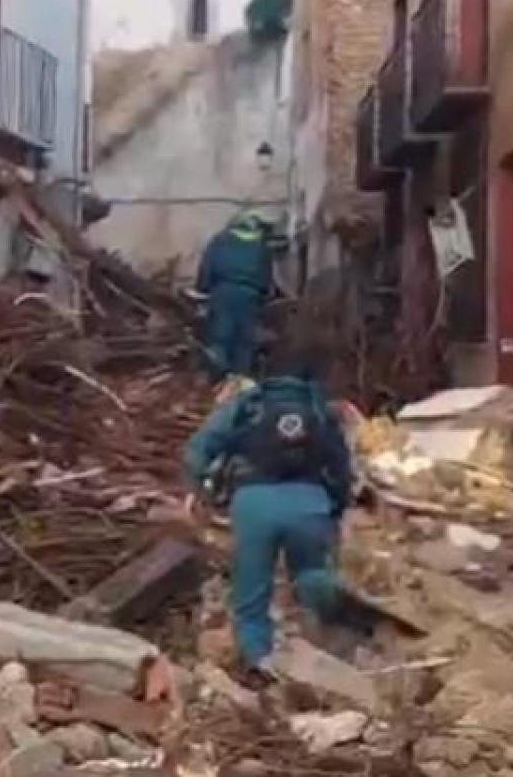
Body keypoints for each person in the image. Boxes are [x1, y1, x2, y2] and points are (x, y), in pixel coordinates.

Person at [183, 343, 356, 683]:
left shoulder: (247, 404)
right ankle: (336, 630)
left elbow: (202, 446)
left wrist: (196, 486)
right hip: (309, 502)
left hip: (253, 503)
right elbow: (340, 467)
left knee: (252, 588)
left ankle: (259, 661)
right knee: (310, 572)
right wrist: (335, 507)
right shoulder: (319, 410)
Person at [194, 213, 274, 379]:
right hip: (250, 296)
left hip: (222, 294)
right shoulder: (261, 247)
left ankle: (217, 380)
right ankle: (240, 382)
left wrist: (203, 289)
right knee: (245, 342)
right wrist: (263, 296)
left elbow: (206, 270)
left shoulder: (219, 241)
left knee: (221, 338)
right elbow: (267, 279)